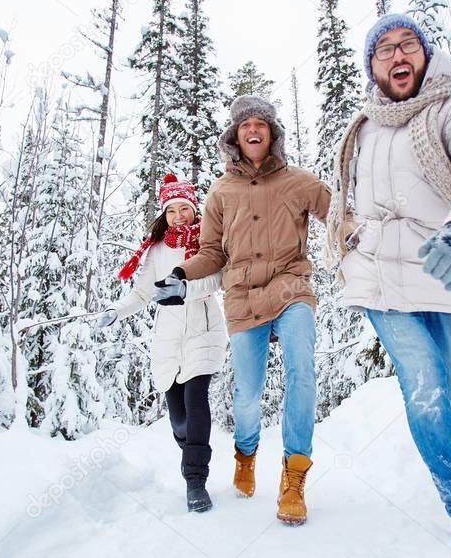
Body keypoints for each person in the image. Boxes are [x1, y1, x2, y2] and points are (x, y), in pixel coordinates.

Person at [325, 14, 451, 558]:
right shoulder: (361, 129)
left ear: (425, 56)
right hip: (378, 281)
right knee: (424, 384)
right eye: (384, 49)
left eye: (406, 44)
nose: (396, 55)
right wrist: (351, 233)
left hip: (442, 270)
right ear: (372, 66)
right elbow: (348, 196)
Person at [153, 95, 347, 526]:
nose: (254, 130)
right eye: (245, 126)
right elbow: (211, 253)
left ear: (272, 133)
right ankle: (246, 453)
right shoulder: (222, 192)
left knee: (302, 371)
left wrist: (360, 236)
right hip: (241, 298)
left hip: (291, 287)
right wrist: (182, 273)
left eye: (261, 123)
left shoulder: (298, 182)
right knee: (248, 394)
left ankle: (294, 477)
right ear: (235, 137)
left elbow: (339, 216)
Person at [99, 174, 227, 513]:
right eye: (172, 210)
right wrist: (117, 310)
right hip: (169, 340)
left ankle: (195, 481)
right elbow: (143, 292)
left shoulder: (207, 241)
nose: (179, 216)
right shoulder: (156, 250)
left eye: (185, 208)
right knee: (179, 418)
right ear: (164, 214)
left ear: (194, 209)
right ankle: (188, 448)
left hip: (204, 331)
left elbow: (215, 279)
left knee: (196, 397)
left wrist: (185, 290)